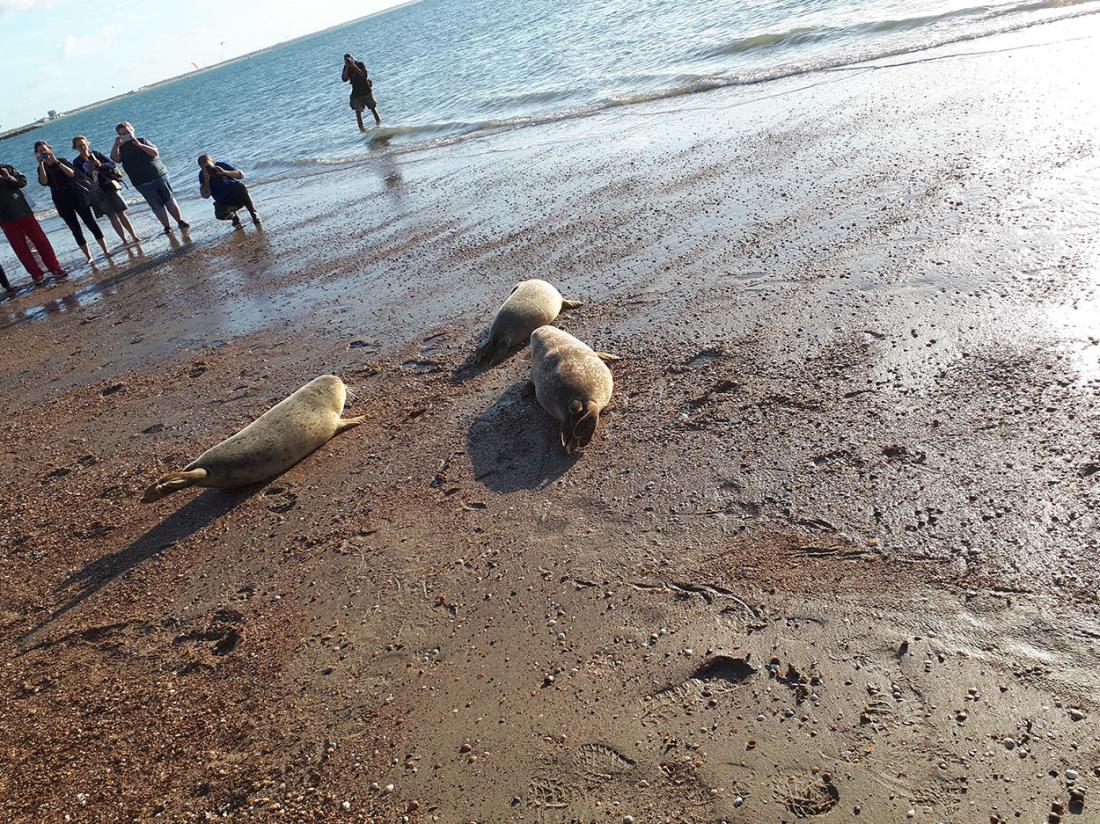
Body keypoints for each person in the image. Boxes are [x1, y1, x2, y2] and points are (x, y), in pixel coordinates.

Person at [34, 140, 110, 266]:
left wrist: (56, 162)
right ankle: (89, 256)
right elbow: (43, 182)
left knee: (90, 223)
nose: (43, 152)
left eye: (44, 149)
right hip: (60, 200)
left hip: (76, 195)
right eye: (40, 151)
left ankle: (105, 250)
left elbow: (71, 173)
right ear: (36, 154)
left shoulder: (61, 160)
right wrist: (41, 164)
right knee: (75, 229)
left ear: (49, 149)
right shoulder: (41, 167)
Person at [110, 121, 189, 234]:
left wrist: (140, 145)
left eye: (128, 131)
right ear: (119, 135)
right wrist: (116, 144)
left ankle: (180, 221)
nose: (127, 134)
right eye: (123, 133)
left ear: (133, 130)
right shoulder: (120, 148)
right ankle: (167, 227)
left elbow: (155, 153)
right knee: (156, 205)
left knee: (169, 200)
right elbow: (115, 159)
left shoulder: (142, 140)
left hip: (158, 175)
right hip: (141, 181)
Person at [0, 162, 65, 285]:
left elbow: (22, 182)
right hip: (5, 219)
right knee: (21, 249)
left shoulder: (6, 167)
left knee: (41, 241)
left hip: (24, 212)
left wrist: (9, 177)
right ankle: (36, 275)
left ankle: (55, 268)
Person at [72, 135, 140, 246]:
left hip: (109, 186)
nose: (83, 147)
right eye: (79, 146)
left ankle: (134, 235)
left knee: (121, 213)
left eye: (84, 144)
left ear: (87, 143)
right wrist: (89, 171)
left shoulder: (96, 154)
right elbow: (80, 178)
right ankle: (124, 240)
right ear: (75, 148)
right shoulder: (77, 162)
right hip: (97, 191)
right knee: (111, 216)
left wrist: (100, 164)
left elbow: (112, 164)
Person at [197, 154, 261, 228]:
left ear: (213, 162)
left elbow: (241, 175)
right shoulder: (202, 175)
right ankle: (234, 217)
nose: (209, 169)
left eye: (209, 166)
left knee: (240, 186)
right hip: (224, 202)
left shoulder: (221, 166)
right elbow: (205, 196)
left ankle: (254, 214)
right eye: (205, 168)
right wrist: (206, 180)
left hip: (238, 197)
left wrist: (225, 172)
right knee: (220, 214)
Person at [342, 54, 381, 130]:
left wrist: (354, 66)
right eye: (346, 60)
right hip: (356, 94)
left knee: (373, 108)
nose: (348, 61)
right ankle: (362, 130)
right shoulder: (346, 68)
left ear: (352, 58)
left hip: (366, 91)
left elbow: (364, 75)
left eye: (349, 59)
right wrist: (347, 67)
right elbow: (344, 79)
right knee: (358, 113)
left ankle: (379, 126)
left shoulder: (360, 64)